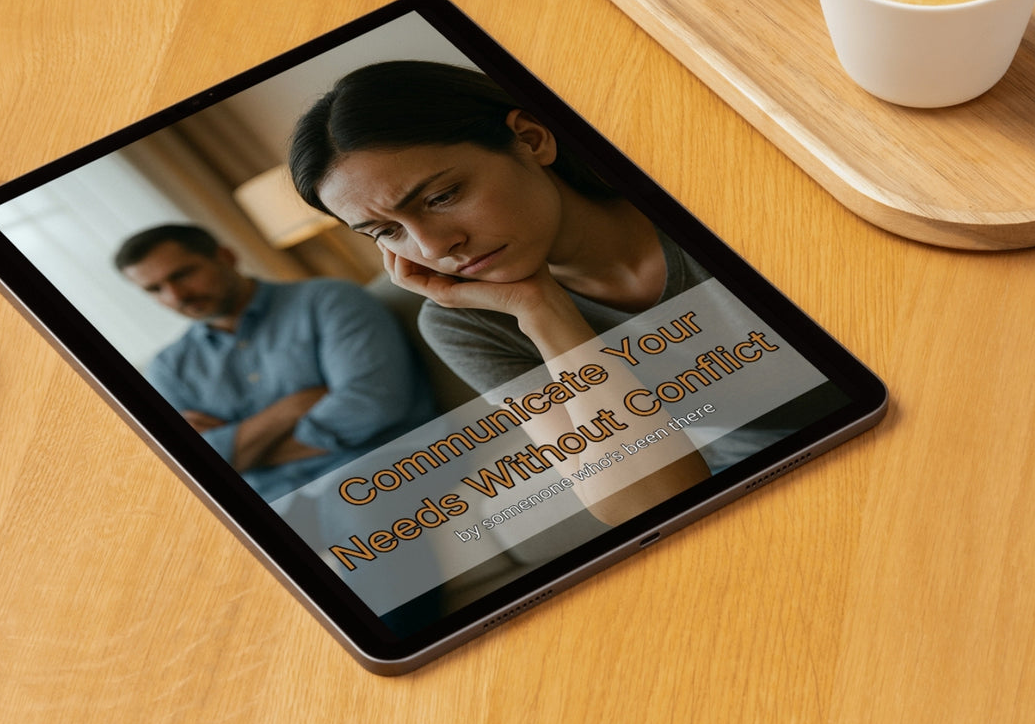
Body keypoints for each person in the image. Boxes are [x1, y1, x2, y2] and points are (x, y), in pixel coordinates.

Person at [288, 60, 760, 523]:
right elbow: (645, 507)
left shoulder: (706, 193)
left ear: (531, 139)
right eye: (387, 232)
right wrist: (543, 311)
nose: (432, 247)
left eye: (442, 197)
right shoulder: (466, 320)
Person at [114, 223, 435, 503]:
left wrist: (237, 450)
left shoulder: (329, 301)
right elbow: (185, 468)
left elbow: (371, 405)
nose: (175, 296)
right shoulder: (168, 368)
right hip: (275, 500)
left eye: (183, 274)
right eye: (155, 289)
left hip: (382, 467)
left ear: (225, 256)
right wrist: (291, 408)